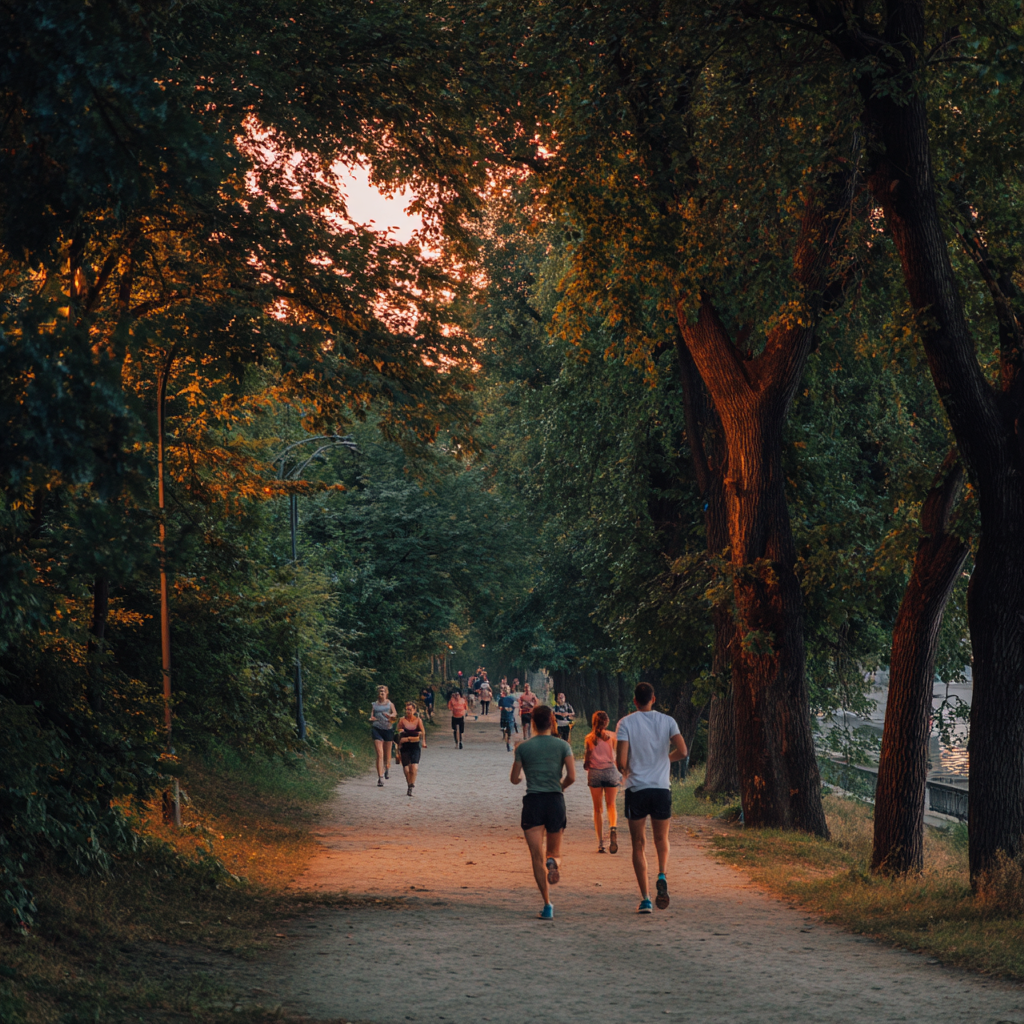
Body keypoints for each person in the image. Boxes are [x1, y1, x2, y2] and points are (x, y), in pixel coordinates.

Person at [616, 681, 688, 913]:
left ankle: (646, 898)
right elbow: (684, 751)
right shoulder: (668, 721)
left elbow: (621, 762)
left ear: (635, 700)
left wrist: (626, 769)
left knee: (639, 844)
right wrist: (666, 759)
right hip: (660, 788)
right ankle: (662, 873)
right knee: (661, 839)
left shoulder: (626, 723)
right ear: (653, 699)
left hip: (636, 789)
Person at [510, 704, 575, 920]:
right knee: (554, 853)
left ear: (533, 722)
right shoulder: (563, 746)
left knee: (535, 856)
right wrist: (560, 787)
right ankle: (553, 864)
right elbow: (572, 777)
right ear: (552, 721)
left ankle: (547, 904)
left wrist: (520, 778)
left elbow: (514, 778)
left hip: (533, 802)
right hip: (555, 801)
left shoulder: (522, 747)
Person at [584, 710, 622, 853]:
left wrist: (587, 764)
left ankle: (600, 843)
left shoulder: (588, 738)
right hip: (610, 772)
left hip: (595, 774)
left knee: (597, 809)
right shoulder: (612, 737)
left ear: (593, 722)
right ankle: (613, 827)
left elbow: (587, 762)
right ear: (607, 722)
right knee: (611, 805)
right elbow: (616, 758)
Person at [370, 686, 397, 788]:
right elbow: (371, 715)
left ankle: (387, 768)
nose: (382, 693)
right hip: (377, 729)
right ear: (378, 693)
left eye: (383, 691)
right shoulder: (374, 705)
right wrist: (372, 718)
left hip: (388, 729)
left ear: (387, 693)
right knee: (379, 754)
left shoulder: (390, 704)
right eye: (380, 691)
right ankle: (380, 777)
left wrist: (391, 716)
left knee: (387, 753)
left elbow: (395, 713)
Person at [397, 701, 426, 796]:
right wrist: (397, 748)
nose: (408, 711)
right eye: (407, 709)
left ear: (414, 710)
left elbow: (422, 732)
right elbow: (397, 734)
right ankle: (409, 784)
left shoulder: (418, 720)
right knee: (406, 769)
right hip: (404, 747)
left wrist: (423, 742)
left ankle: (411, 785)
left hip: (415, 746)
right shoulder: (402, 720)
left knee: (414, 767)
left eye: (410, 709)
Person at [497, 684, 517, 751]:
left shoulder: (501, 699)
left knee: (506, 731)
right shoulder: (511, 698)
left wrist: (504, 708)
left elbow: (499, 707)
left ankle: (507, 742)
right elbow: (515, 705)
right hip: (509, 717)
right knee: (509, 732)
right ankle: (508, 742)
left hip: (504, 717)